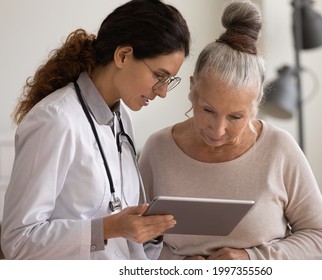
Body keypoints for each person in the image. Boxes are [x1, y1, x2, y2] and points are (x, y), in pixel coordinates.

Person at [138, 0, 322, 260]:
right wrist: (179, 264)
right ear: (192, 88)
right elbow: (137, 240)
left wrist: (251, 260)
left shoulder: (279, 149)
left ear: (256, 104)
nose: (218, 130)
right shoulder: (158, 149)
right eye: (208, 110)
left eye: (235, 116)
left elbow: (319, 236)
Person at [1, 0, 190, 260]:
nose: (163, 91)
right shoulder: (54, 121)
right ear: (123, 55)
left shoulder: (121, 117)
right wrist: (107, 228)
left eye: (169, 80)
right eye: (159, 75)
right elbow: (18, 242)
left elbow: (125, 238)